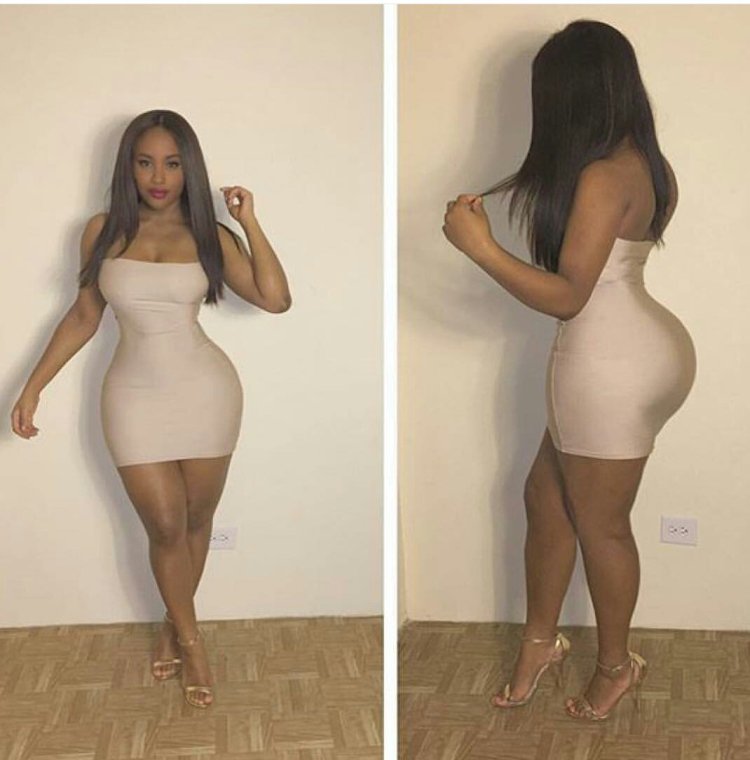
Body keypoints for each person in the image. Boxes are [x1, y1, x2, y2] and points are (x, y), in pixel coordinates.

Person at [442, 20, 696, 721]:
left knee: (601, 525)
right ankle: (539, 643)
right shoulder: (645, 164)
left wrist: (480, 249)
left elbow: (568, 296)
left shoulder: (601, 175)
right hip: (643, 348)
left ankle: (615, 668)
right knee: (544, 496)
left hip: (606, 361)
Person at [10, 109, 291, 708]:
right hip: (133, 397)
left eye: (171, 163)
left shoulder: (212, 235)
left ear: (189, 168)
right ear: (128, 167)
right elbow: (84, 315)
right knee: (164, 525)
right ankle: (192, 641)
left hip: (207, 391)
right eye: (145, 162)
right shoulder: (102, 230)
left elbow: (275, 299)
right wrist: (33, 386)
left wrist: (248, 220)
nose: (158, 177)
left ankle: (172, 622)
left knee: (195, 519)